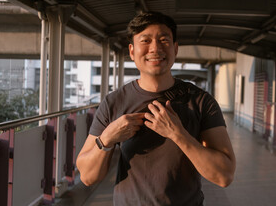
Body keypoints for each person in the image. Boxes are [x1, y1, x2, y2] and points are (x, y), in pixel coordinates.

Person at [76, 11, 236, 205]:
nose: (155, 48)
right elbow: (87, 177)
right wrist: (107, 138)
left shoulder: (201, 101)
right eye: (145, 41)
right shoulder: (114, 102)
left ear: (175, 49)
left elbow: (224, 176)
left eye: (163, 40)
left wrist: (179, 135)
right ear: (132, 51)